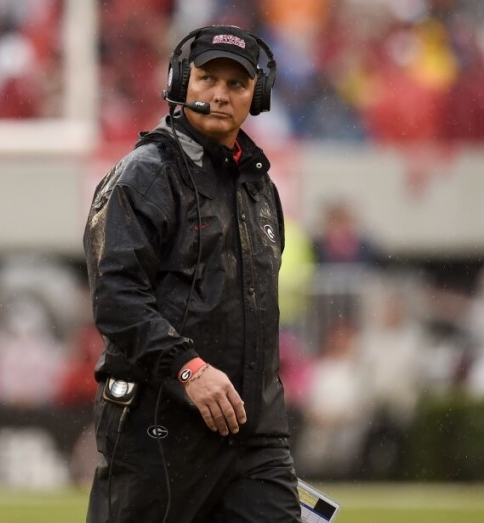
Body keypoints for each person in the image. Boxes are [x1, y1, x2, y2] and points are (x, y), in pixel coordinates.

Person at [83, 25, 301, 522]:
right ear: (182, 83)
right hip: (157, 430)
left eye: (237, 84)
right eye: (207, 78)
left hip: (253, 437)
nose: (220, 94)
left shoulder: (260, 189)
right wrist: (188, 368)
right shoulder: (144, 174)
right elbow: (116, 299)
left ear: (257, 96)